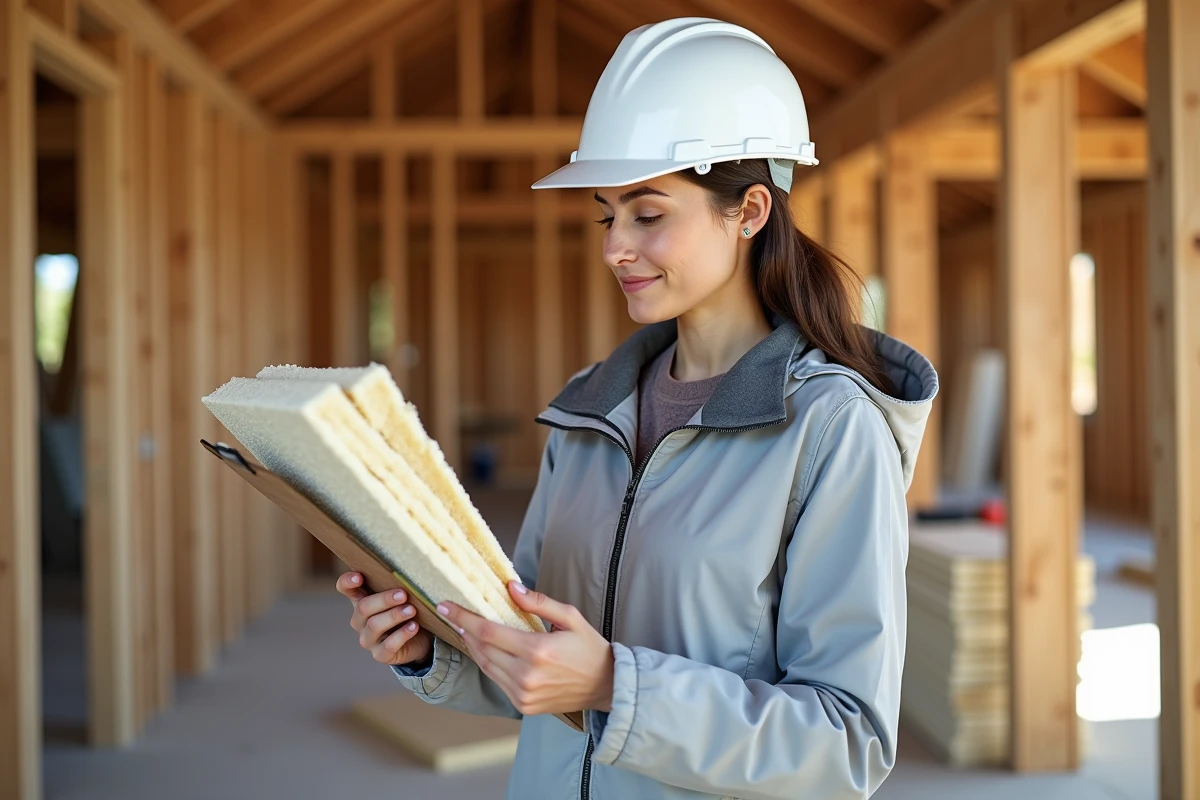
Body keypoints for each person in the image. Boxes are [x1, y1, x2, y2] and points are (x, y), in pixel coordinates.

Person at [337, 17, 937, 800]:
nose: (614, 246)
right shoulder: (592, 410)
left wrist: (616, 686)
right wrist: (427, 649)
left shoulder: (831, 428)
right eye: (607, 215)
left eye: (647, 214)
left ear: (750, 211)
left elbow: (846, 742)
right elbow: (532, 649)